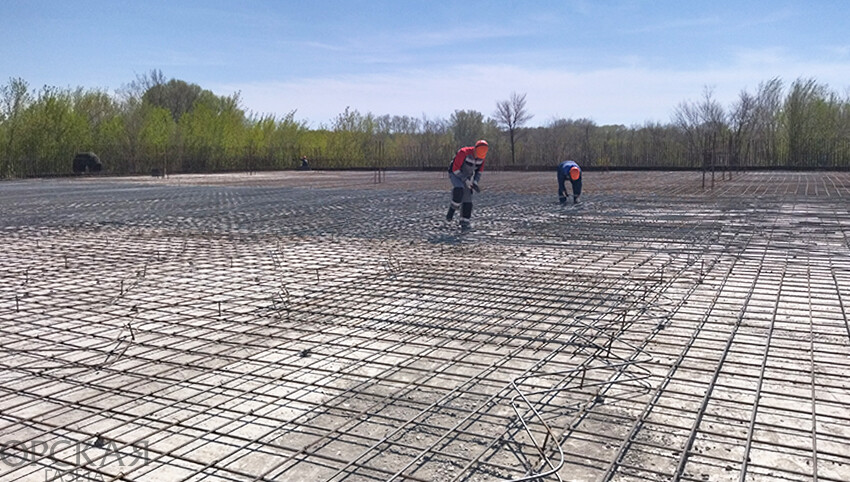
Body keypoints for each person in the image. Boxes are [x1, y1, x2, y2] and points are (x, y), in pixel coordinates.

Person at [446, 140, 488, 229]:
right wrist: (466, 180)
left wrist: (475, 182)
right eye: (477, 155)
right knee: (459, 190)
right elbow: (455, 169)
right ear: (475, 149)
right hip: (455, 173)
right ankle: (452, 210)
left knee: (468, 198)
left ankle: (465, 221)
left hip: (467, 176)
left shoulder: (482, 158)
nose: (478, 157)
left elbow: (478, 172)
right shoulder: (463, 152)